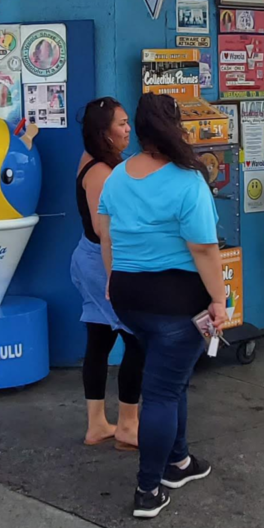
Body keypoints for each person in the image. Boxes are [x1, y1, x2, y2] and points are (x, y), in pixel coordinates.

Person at [98, 93, 229, 521]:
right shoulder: (187, 180)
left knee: (171, 384)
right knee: (161, 393)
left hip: (128, 297)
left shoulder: (117, 177)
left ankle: (179, 462)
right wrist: (218, 300)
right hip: (176, 304)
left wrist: (111, 282)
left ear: (136, 129)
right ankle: (148, 489)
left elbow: (107, 236)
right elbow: (205, 249)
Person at [72, 96, 144, 449]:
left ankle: (97, 424)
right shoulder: (100, 172)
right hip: (102, 263)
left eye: (128, 122)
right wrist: (117, 279)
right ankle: (128, 425)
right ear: (104, 132)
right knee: (138, 340)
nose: (128, 129)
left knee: (99, 340)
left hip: (92, 259)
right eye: (121, 124)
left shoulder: (97, 161)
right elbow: (106, 233)